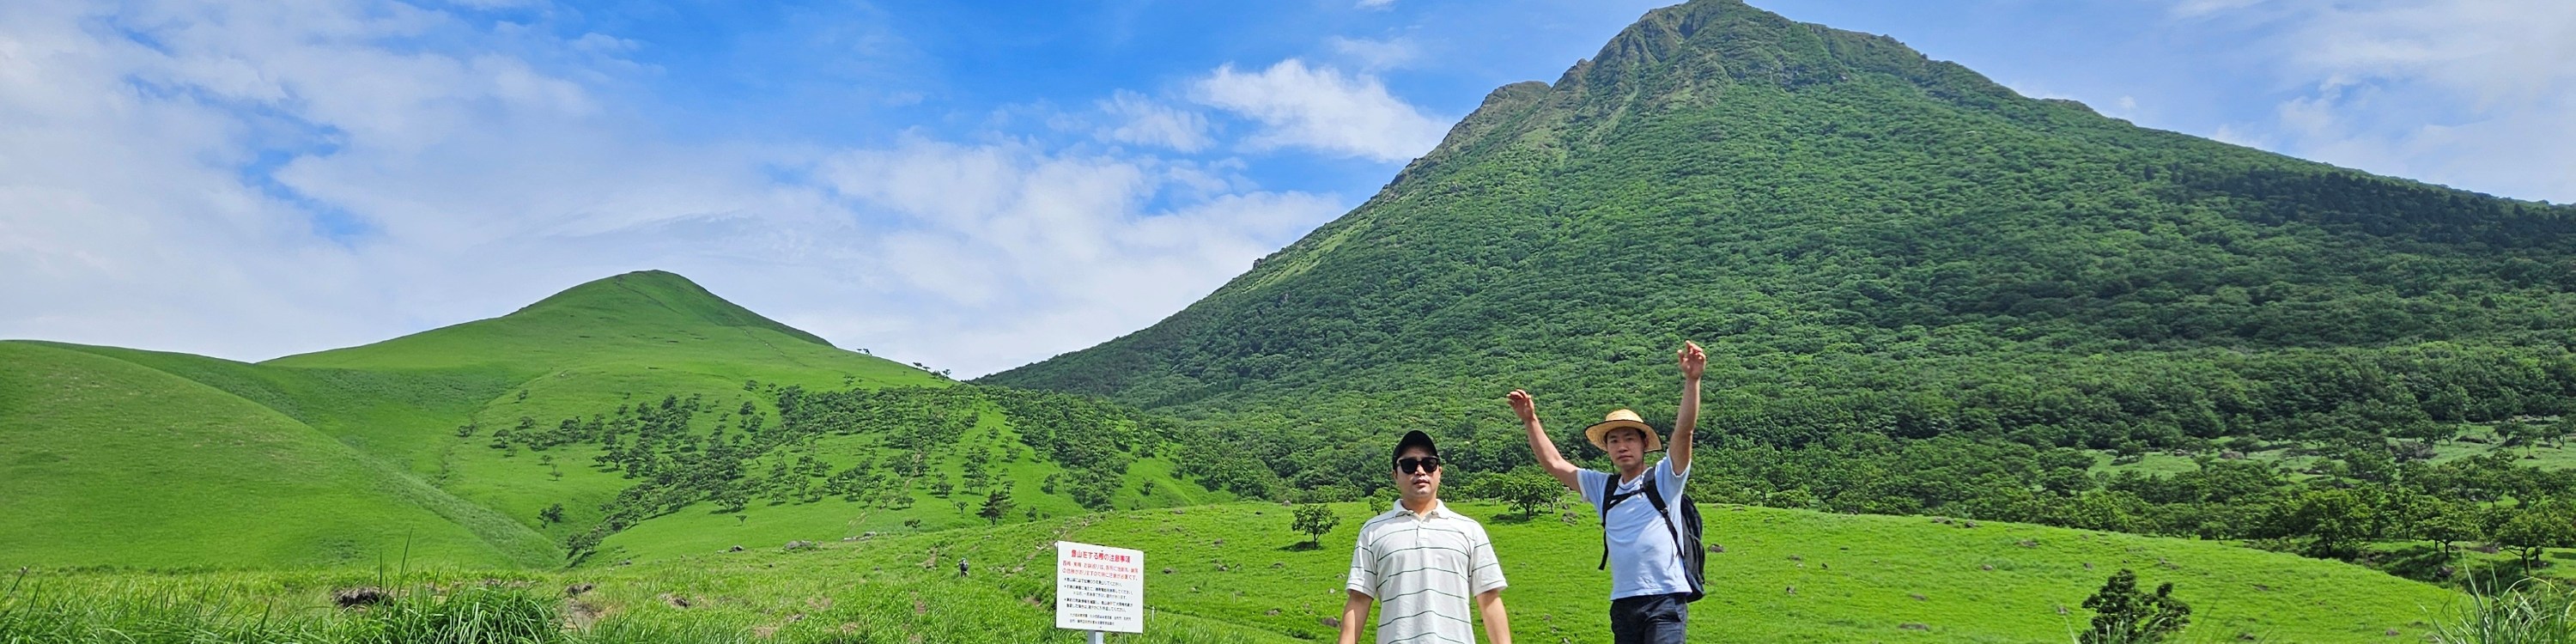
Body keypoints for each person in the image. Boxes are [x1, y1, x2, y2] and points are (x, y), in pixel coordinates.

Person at [1508, 341, 1704, 644]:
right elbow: (1554, 463)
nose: (1622, 446)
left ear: (1643, 444)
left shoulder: (1665, 479)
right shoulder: (1604, 488)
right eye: (1614, 440)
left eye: (1629, 438)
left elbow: (1684, 432)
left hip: (1665, 597)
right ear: (1607, 449)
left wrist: (1692, 381)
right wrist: (1530, 421)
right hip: (1624, 602)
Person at [1340, 429, 1513, 644]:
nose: (1420, 471)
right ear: (1395, 474)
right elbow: (1359, 600)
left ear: (1439, 471)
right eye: (1409, 465)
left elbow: (1489, 599)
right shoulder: (1373, 531)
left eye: (1429, 464)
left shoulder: (1469, 530)